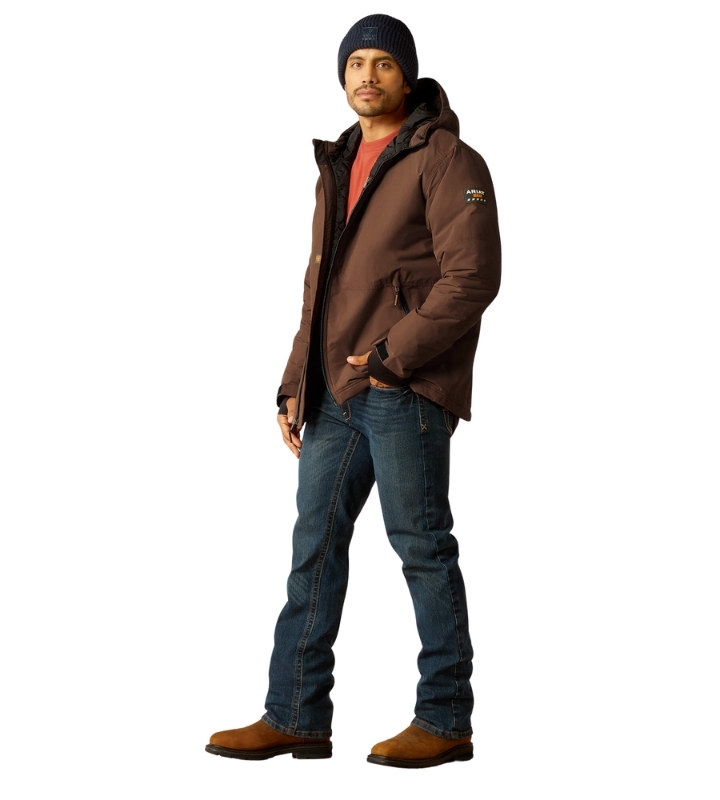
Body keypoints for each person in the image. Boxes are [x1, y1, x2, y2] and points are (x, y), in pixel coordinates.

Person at [206, 13, 501, 769]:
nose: (368, 75)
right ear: (343, 77)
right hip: (335, 390)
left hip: (405, 386)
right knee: (313, 550)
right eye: (356, 63)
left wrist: (391, 356)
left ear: (407, 76)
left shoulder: (447, 158)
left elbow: (473, 278)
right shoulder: (337, 162)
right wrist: (293, 382)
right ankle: (295, 714)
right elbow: (321, 288)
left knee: (422, 548)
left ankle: (445, 719)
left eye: (383, 63)